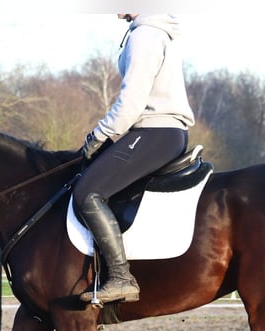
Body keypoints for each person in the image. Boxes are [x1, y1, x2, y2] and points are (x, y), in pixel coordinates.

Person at [74, 13, 195, 304]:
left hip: (155, 130)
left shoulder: (146, 34)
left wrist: (99, 135)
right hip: (160, 131)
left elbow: (131, 101)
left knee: (87, 193)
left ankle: (120, 277)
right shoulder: (147, 32)